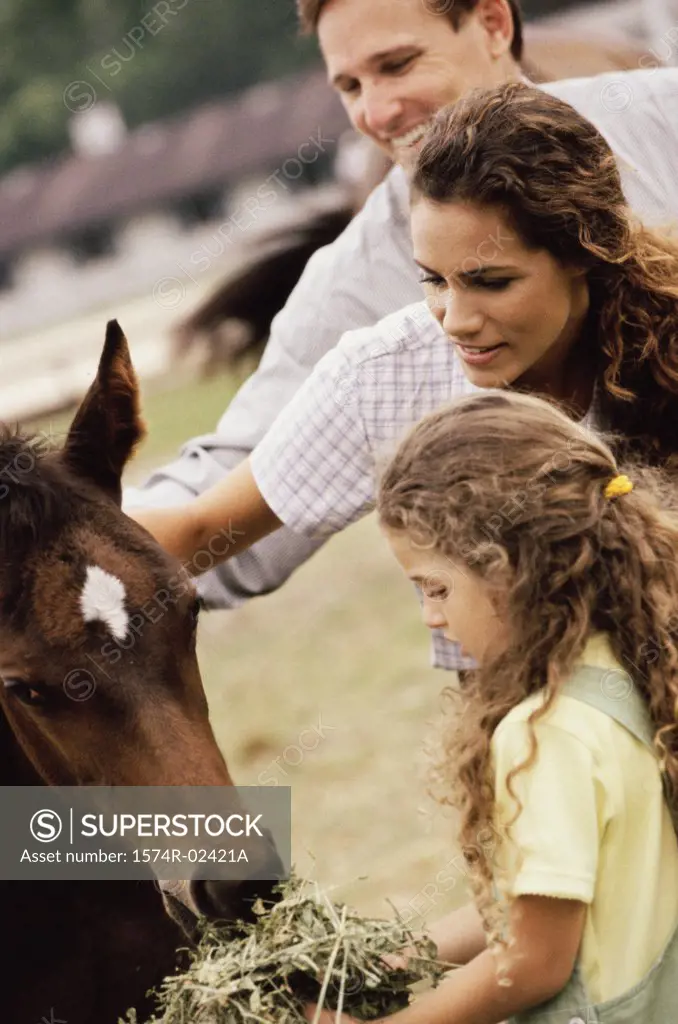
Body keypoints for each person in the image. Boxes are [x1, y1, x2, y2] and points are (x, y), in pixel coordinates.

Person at [126, 0, 678, 621]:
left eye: (399, 63)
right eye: (350, 85)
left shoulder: (663, 118)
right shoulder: (367, 319)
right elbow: (229, 495)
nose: (377, 112)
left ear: (494, 24)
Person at [307, 388, 678, 1023]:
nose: (429, 616)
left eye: (436, 587)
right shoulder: (636, 672)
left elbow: (532, 962)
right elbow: (542, 905)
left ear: (513, 569)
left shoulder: (544, 735)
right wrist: (379, 962)